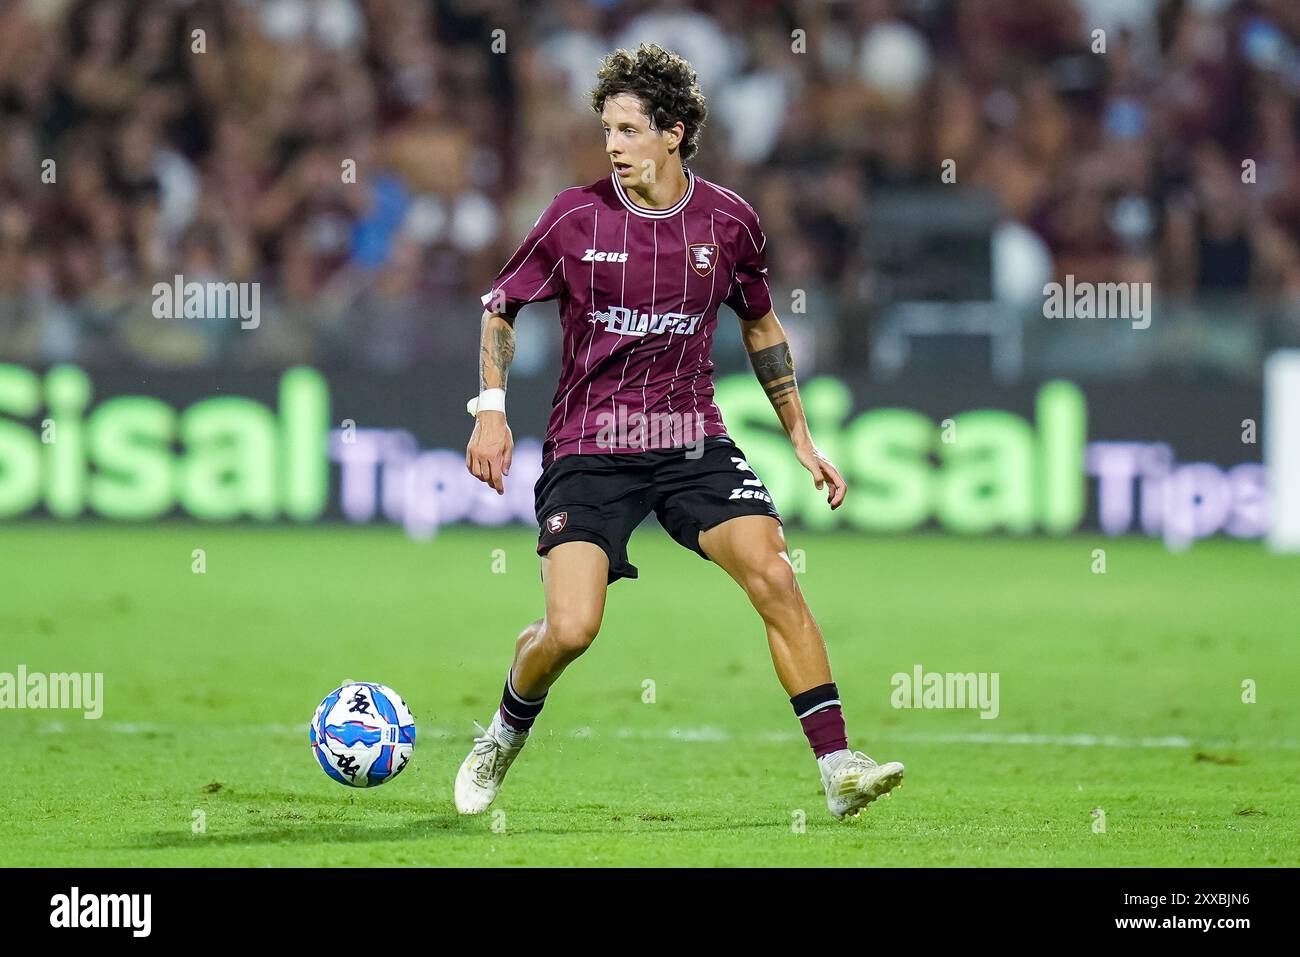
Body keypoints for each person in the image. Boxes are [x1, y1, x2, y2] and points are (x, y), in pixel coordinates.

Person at [457, 43, 903, 821]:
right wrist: (490, 407)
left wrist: (799, 435)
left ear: (675, 132)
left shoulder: (730, 223)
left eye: (629, 131)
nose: (614, 146)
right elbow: (501, 306)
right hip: (590, 444)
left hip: (689, 435)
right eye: (607, 130)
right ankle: (502, 731)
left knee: (775, 575)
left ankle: (838, 766)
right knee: (571, 627)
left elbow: (761, 325)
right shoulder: (573, 217)